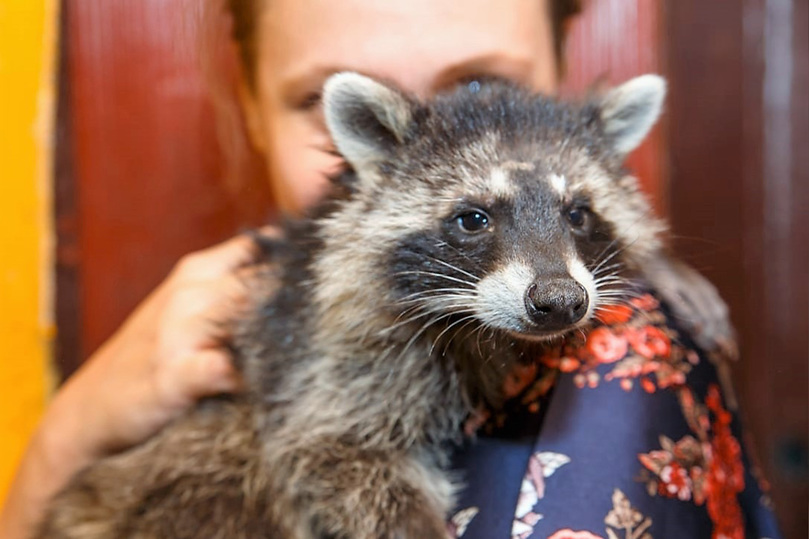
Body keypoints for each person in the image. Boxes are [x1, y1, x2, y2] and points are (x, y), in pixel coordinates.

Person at [0, 1, 780, 538]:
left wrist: (649, 268)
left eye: (487, 85)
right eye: (323, 98)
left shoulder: (632, 352)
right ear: (249, 111)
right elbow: (341, 451)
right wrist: (65, 439)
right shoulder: (216, 333)